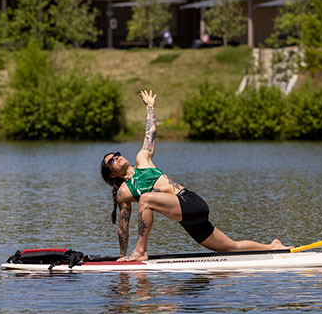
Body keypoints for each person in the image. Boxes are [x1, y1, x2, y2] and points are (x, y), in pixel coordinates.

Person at [100, 90, 288, 261]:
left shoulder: (143, 160)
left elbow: (150, 134)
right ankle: (274, 247)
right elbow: (123, 227)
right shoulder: (124, 192)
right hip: (185, 219)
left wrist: (150, 107)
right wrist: (122, 257)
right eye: (111, 161)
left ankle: (140, 252)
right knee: (231, 248)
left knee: (146, 199)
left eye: (116, 154)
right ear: (112, 174)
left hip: (191, 202)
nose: (117, 158)